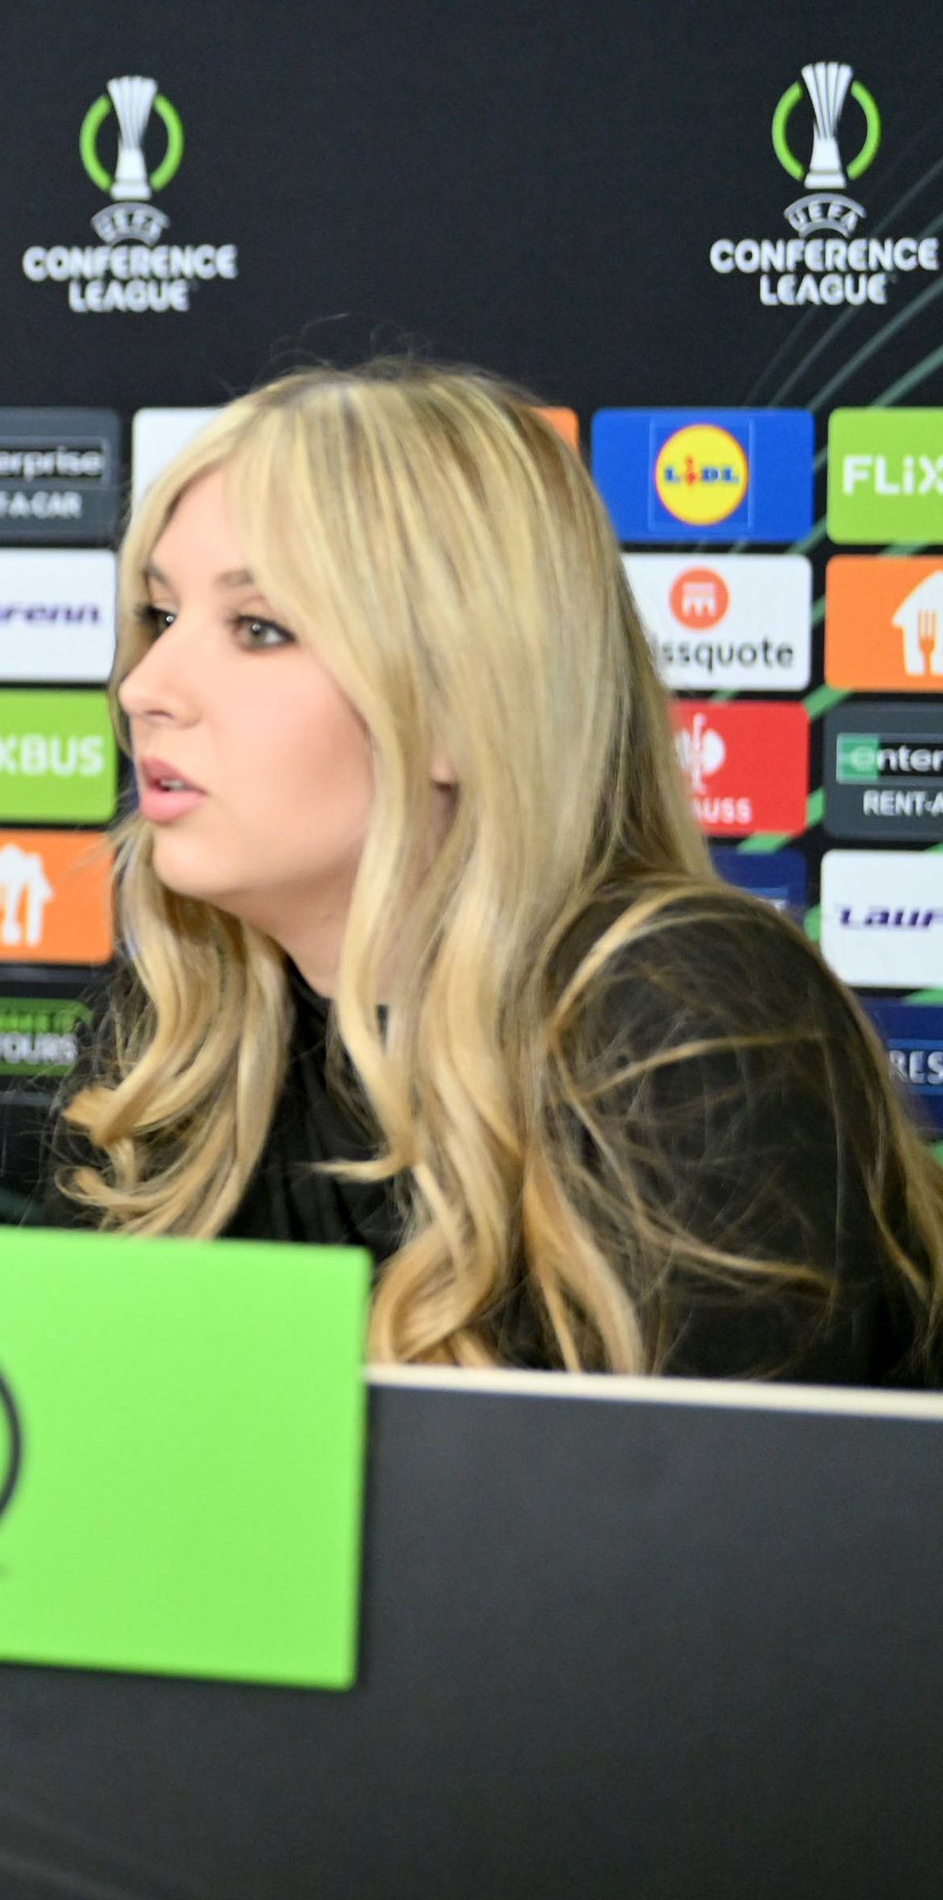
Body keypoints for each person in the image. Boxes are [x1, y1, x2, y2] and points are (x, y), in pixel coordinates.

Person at [60, 357, 941, 1384]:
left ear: (462, 708)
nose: (145, 685)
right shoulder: (180, 1029)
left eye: (260, 628)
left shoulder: (683, 1014)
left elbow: (701, 1527)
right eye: (160, 616)